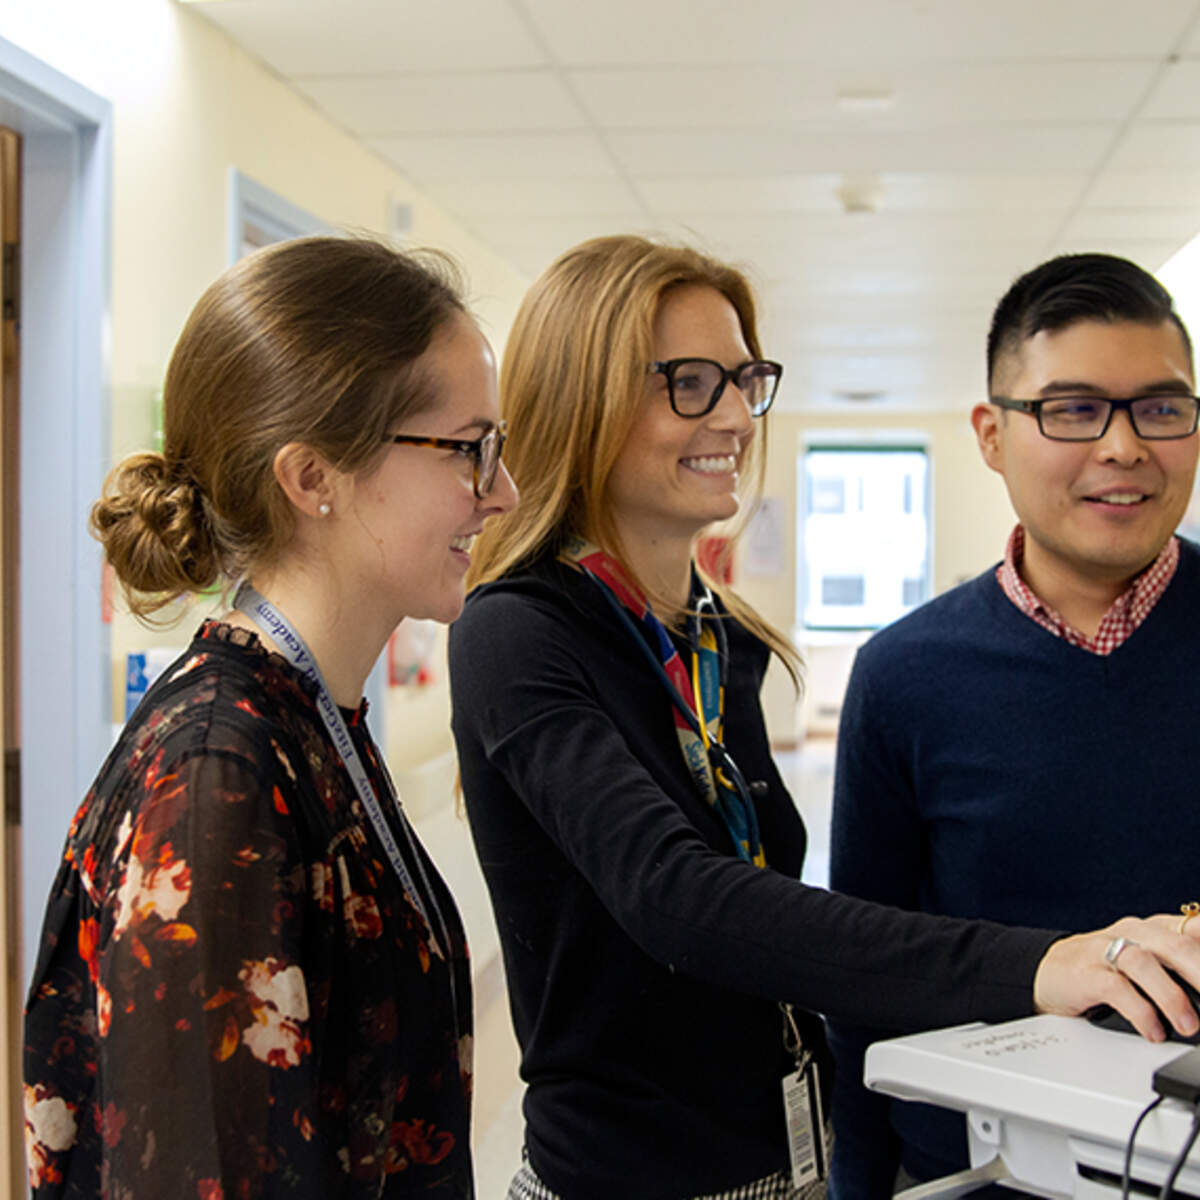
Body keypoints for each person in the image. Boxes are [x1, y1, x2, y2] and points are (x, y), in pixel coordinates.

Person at [447, 235, 1200, 1200]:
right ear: (583, 397)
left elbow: (800, 945)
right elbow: (680, 899)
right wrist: (1047, 963)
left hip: (785, 1159)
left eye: (741, 379)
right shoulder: (518, 631)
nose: (732, 414)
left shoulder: (720, 643)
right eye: (687, 382)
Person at [23, 235, 517, 1198]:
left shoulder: (308, 722)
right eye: (471, 450)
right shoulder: (218, 773)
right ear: (313, 478)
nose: (502, 493)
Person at [827, 252, 1200, 1197]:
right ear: (992, 436)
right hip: (978, 1168)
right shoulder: (905, 675)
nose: (1123, 448)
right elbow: (863, 973)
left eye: (1161, 408)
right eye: (1073, 410)